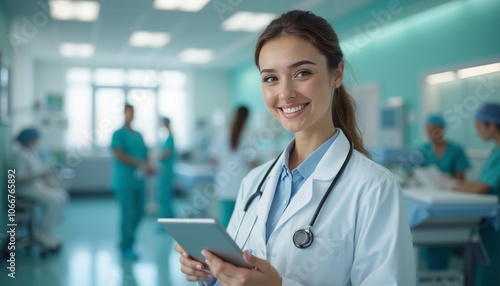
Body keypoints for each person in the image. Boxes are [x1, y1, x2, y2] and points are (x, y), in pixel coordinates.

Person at [175, 10, 415, 285]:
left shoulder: (374, 187)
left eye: (302, 73)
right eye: (270, 78)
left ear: (337, 74)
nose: (285, 92)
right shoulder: (254, 182)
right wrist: (210, 271)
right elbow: (238, 271)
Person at [451, 103, 500, 286]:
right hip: (490, 224)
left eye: (479, 127)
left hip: (495, 227)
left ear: (492, 125)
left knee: (491, 273)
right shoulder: (495, 151)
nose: (478, 133)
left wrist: (453, 187)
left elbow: (483, 188)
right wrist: (459, 184)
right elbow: (483, 182)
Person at [417, 114, 470, 270]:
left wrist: (449, 182)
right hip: (428, 203)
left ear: (442, 130)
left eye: (434, 130)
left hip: (448, 205)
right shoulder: (423, 150)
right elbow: (415, 173)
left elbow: (461, 180)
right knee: (428, 245)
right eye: (428, 130)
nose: (430, 134)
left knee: (444, 244)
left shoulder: (456, 150)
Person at [111, 104, 154, 260]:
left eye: (133, 112)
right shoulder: (118, 134)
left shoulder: (139, 134)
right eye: (128, 112)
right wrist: (141, 164)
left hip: (139, 181)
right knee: (127, 215)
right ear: (124, 114)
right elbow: (120, 155)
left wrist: (148, 164)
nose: (131, 115)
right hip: (124, 182)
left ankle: (127, 240)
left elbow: (146, 152)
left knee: (140, 213)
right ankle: (126, 246)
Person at [15, 127, 68, 251]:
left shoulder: (31, 152)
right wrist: (40, 175)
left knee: (62, 195)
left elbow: (37, 174)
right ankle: (41, 232)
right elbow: (20, 178)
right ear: (29, 139)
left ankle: (48, 231)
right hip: (25, 189)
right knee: (54, 200)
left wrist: (47, 183)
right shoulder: (21, 154)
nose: (37, 141)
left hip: (36, 186)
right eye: (35, 138)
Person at [208, 106, 256, 228]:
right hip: (242, 186)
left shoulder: (221, 134)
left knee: (226, 220)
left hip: (224, 184)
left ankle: (225, 246)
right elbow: (252, 163)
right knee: (240, 222)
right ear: (247, 118)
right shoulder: (248, 136)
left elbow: (213, 161)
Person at [157, 117, 176, 220]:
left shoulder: (170, 137)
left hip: (167, 171)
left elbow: (167, 153)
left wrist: (157, 155)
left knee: (164, 195)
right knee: (164, 195)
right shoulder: (167, 137)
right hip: (164, 171)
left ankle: (167, 218)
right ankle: (169, 216)